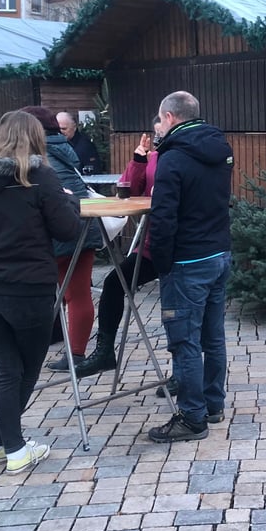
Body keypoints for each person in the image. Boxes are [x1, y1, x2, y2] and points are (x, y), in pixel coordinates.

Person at [0, 110, 82, 474]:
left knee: (7, 369)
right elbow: (67, 229)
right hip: (28, 288)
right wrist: (69, 199)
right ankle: (14, 449)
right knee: (24, 371)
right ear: (33, 138)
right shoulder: (39, 175)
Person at [146, 91, 233, 443]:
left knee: (184, 341)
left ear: (168, 117)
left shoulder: (173, 157)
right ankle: (213, 405)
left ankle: (192, 417)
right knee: (213, 337)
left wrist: (161, 263)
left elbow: (163, 217)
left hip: (187, 260)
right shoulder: (219, 147)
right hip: (219, 253)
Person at [73, 117, 164, 379]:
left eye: (161, 133)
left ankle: (183, 373)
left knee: (175, 308)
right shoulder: (152, 158)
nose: (157, 139)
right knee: (114, 283)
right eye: (155, 134)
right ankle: (104, 353)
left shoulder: (179, 159)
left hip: (176, 248)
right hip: (151, 246)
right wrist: (138, 161)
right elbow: (127, 189)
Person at [21, 106, 101, 371]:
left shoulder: (36, 159)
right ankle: (76, 354)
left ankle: (26, 351)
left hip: (54, 235)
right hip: (82, 228)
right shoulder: (64, 151)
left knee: (36, 294)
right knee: (78, 294)